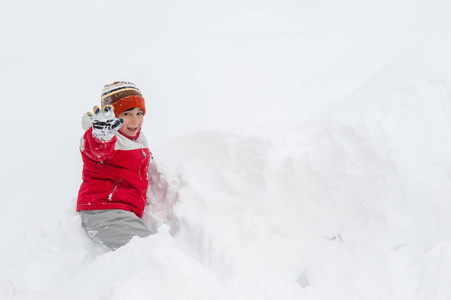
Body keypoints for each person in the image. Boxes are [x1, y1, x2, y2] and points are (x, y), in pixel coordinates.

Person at [77, 81, 155, 250]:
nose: (135, 120)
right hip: (104, 212)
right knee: (153, 251)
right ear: (111, 117)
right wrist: (101, 135)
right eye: (127, 114)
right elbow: (97, 149)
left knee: (154, 251)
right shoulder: (104, 137)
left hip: (122, 213)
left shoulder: (135, 139)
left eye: (139, 113)